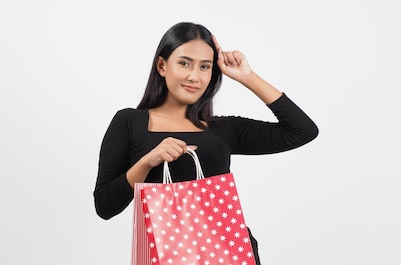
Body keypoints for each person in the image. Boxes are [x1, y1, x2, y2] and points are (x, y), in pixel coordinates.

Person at [92, 21, 318, 264]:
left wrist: (247, 77)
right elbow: (105, 206)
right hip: (169, 255)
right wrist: (148, 161)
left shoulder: (223, 129)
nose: (194, 76)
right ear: (162, 65)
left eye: (205, 67)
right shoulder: (129, 122)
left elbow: (302, 130)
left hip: (231, 253)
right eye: (184, 63)